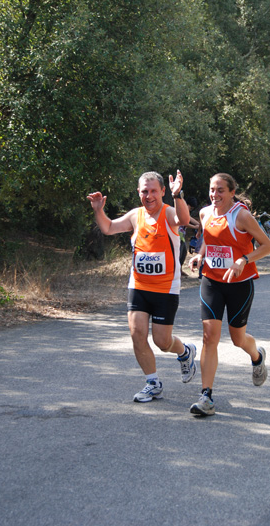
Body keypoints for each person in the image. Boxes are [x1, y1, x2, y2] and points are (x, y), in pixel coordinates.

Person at [87, 170, 197, 403]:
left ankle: (184, 351)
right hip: (138, 286)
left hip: (166, 288)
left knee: (162, 341)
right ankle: (152, 383)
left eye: (154, 191)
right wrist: (99, 210)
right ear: (138, 192)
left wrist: (178, 196)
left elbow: (184, 221)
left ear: (163, 192)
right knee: (137, 334)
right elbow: (107, 228)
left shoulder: (168, 213)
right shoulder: (135, 216)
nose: (149, 196)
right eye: (144, 191)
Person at [188, 173, 270, 417]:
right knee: (209, 337)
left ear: (232, 192)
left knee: (238, 339)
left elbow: (267, 245)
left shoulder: (241, 215)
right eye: (212, 190)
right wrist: (200, 255)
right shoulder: (205, 213)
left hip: (240, 284)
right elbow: (208, 238)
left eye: (220, 190)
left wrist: (244, 259)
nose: (215, 195)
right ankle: (206, 396)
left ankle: (257, 357)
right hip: (212, 282)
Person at [179, 196, 200, 271]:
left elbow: (189, 218)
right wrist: (194, 227)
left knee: (184, 252)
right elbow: (184, 222)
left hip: (182, 235)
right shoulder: (181, 209)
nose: (190, 209)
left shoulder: (186, 211)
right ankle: (177, 270)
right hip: (178, 234)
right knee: (180, 253)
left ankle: (180, 270)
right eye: (190, 207)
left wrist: (199, 225)